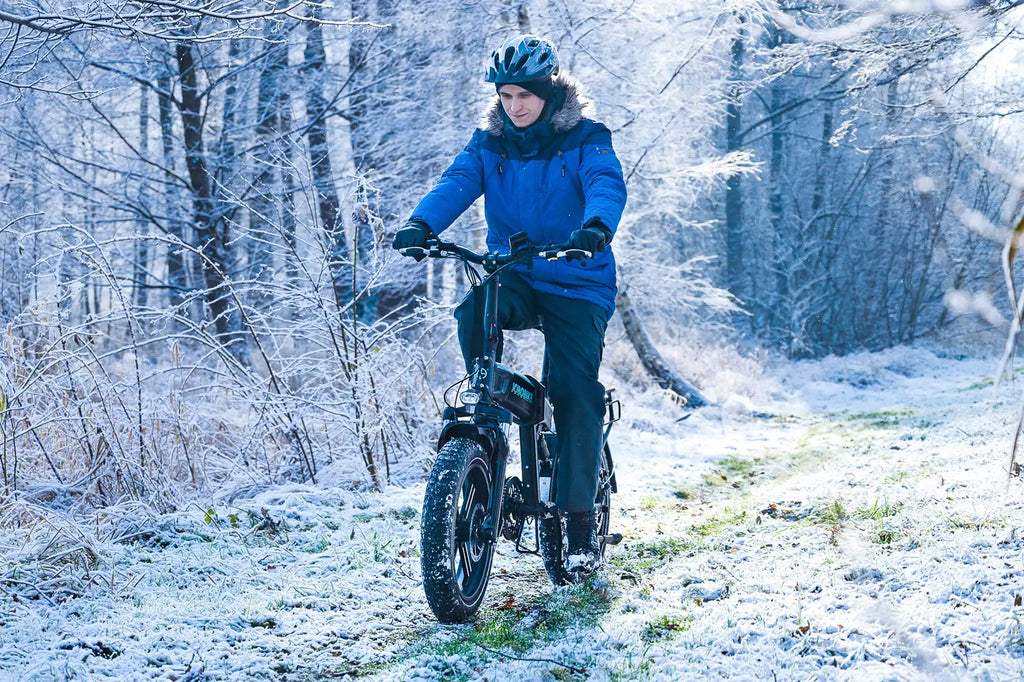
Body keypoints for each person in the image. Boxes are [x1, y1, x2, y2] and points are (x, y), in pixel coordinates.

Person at [394, 34, 627, 577]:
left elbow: (605, 184)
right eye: (505, 96)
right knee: (473, 313)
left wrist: (596, 226)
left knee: (574, 392)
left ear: (549, 93)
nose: (514, 106)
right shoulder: (490, 143)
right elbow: (457, 182)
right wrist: (421, 223)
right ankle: (492, 419)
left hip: (578, 279)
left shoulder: (587, 138)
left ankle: (576, 525)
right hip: (516, 271)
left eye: (524, 95)